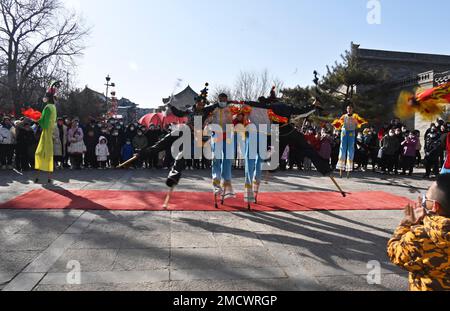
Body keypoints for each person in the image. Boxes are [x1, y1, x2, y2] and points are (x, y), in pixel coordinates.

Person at [387, 174, 450, 291]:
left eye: (426, 198)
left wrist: (405, 224)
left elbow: (394, 252)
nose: (423, 201)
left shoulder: (420, 236)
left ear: (435, 206)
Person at [332, 105, 368, 178]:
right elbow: (339, 123)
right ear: (346, 109)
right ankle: (341, 167)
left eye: (350, 108)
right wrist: (335, 124)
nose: (349, 109)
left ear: (352, 109)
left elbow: (360, 121)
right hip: (344, 132)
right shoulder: (344, 116)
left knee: (350, 149)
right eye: (348, 108)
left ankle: (349, 168)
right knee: (342, 149)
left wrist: (361, 122)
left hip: (351, 132)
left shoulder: (355, 116)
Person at [34, 82, 59, 183]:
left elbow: (44, 122)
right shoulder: (53, 107)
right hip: (49, 131)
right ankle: (48, 177)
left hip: (46, 132)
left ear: (48, 98)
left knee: (40, 153)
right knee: (47, 153)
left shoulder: (48, 107)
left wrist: (36, 119)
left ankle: (39, 176)